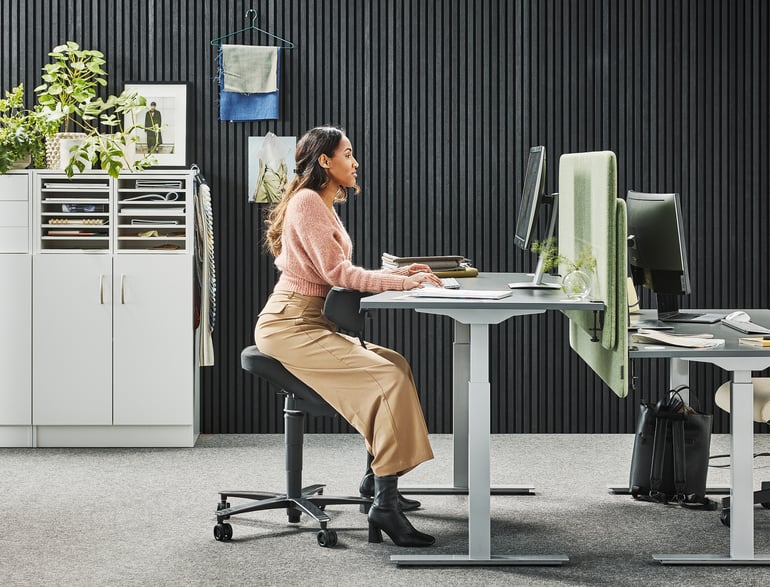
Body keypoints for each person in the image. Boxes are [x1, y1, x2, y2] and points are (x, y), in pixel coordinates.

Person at [255, 126, 442, 547]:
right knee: (386, 380)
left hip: (311, 322)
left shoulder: (320, 203)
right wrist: (398, 284)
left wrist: (399, 273)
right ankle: (385, 505)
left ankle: (374, 482)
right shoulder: (307, 202)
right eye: (348, 154)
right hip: (289, 325)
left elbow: (335, 269)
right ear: (325, 161)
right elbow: (337, 274)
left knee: (395, 365)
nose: (355, 162)